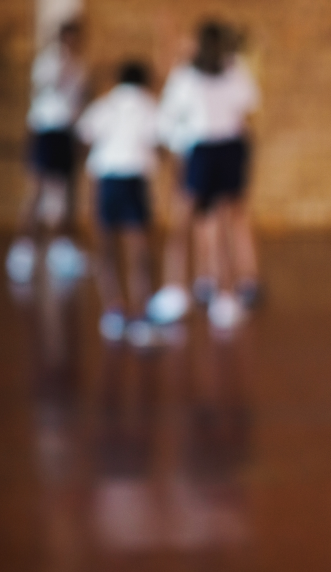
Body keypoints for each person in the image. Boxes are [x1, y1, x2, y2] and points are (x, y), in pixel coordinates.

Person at [149, 21, 261, 329]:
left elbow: (248, 106)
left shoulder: (233, 71)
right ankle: (175, 289)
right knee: (184, 219)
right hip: (199, 151)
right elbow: (167, 119)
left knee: (225, 218)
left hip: (228, 148)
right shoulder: (185, 76)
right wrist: (177, 148)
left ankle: (226, 292)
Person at [76, 61, 160, 345]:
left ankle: (113, 308)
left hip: (106, 178)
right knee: (139, 250)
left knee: (106, 247)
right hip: (135, 179)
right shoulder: (148, 104)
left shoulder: (106, 105)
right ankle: (141, 310)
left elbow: (84, 135)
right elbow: (160, 138)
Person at [7, 20, 87, 283]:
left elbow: (78, 101)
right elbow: (43, 91)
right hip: (46, 129)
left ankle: (60, 248)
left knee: (62, 191)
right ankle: (22, 248)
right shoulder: (49, 62)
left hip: (65, 131)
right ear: (63, 37)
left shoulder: (80, 65)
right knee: (36, 189)